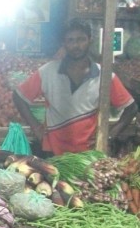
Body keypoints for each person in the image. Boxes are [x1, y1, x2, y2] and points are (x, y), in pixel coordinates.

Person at [13, 19, 137, 155]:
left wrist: (110, 135)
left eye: (81, 39)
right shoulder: (47, 72)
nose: (76, 45)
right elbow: (19, 97)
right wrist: (36, 127)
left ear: (90, 40)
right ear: (64, 43)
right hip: (53, 151)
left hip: (88, 153)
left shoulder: (104, 76)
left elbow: (131, 108)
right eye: (70, 40)